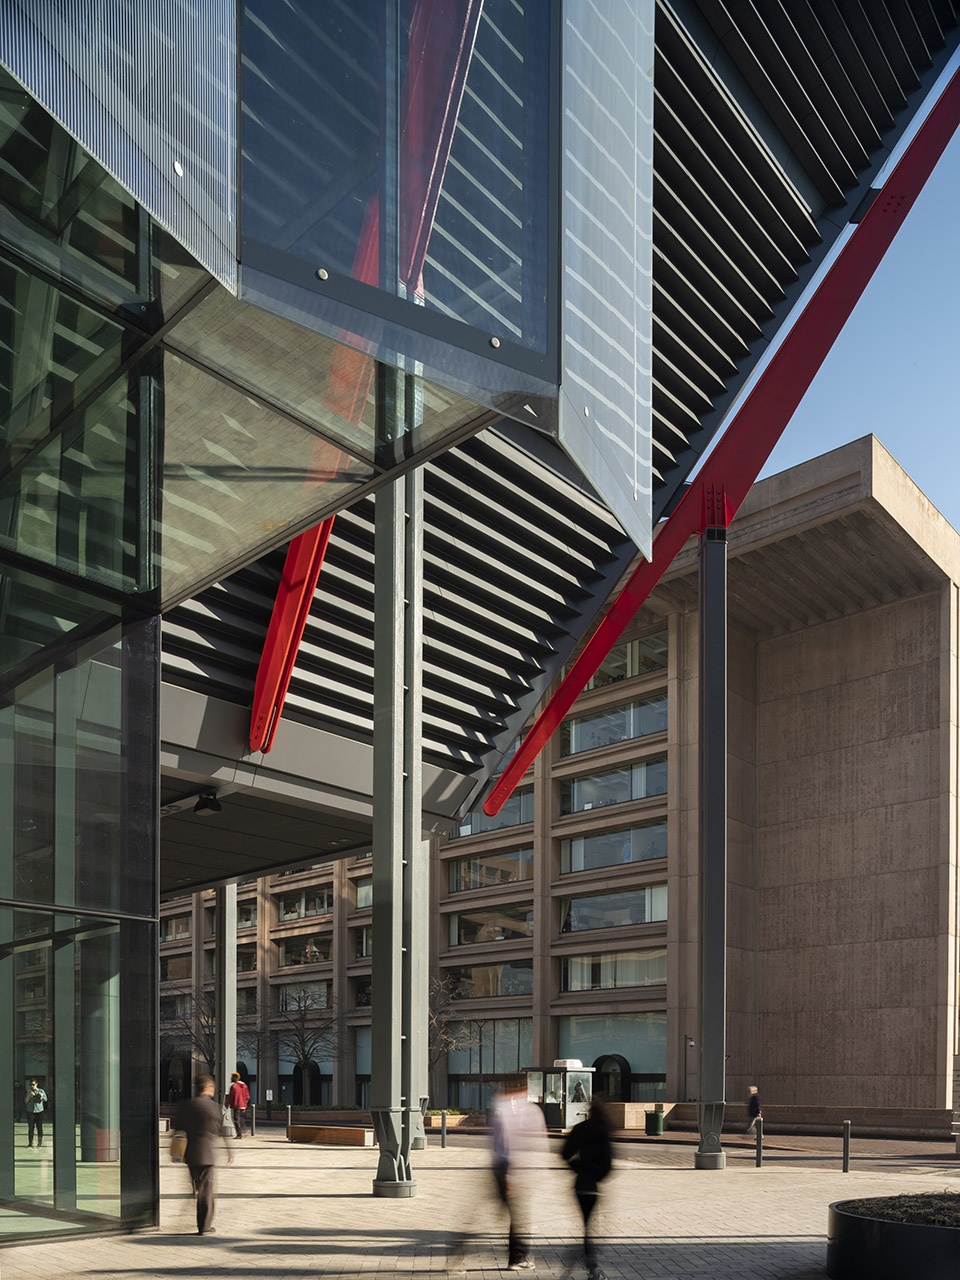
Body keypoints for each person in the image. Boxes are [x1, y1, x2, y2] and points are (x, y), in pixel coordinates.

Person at [490, 1082, 548, 1271]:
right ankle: (517, 1258)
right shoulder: (519, 1111)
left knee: (514, 1215)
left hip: (502, 1168)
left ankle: (518, 1257)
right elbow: (510, 1144)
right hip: (510, 1169)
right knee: (519, 1216)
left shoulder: (502, 1110)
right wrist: (510, 1175)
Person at [172, 1074, 233, 1235]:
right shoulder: (215, 1107)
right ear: (208, 1088)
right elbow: (222, 1131)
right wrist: (230, 1153)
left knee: (199, 1188)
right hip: (208, 1155)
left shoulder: (187, 1106)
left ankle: (200, 1220)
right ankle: (204, 1226)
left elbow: (177, 1130)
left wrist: (175, 1154)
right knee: (207, 1192)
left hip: (191, 1155)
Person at [562, 1098, 614, 1280]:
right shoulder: (603, 1131)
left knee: (586, 1225)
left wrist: (579, 1168)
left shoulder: (580, 1128)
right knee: (589, 1227)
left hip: (580, 1185)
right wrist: (597, 1176)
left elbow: (565, 1153)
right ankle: (592, 1265)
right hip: (593, 1187)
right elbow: (608, 1163)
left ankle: (586, 1258)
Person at [226, 1071, 251, 1139]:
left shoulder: (234, 1086)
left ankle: (239, 1134)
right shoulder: (244, 1085)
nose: (231, 1078)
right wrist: (245, 1104)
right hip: (243, 1105)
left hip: (236, 1105)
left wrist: (227, 1103)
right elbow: (247, 1096)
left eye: (232, 1077)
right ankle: (243, 1132)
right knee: (241, 1119)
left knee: (236, 1120)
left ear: (235, 1077)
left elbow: (230, 1096)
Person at [25, 1079, 47, 1148]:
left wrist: (41, 1096)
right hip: (30, 1111)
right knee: (31, 1128)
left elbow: (45, 1099)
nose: (32, 1086)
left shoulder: (41, 1091)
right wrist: (29, 1095)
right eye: (31, 1085)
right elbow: (25, 1101)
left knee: (39, 1127)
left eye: (33, 1084)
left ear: (36, 1084)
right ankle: (30, 1143)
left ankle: (40, 1143)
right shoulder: (29, 1092)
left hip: (39, 1111)